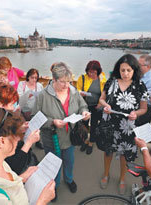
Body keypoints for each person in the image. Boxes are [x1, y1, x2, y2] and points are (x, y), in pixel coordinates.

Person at [33, 62, 91, 198]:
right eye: (63, 82)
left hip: (70, 136)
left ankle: (69, 180)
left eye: (69, 81)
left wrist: (84, 112)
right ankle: (54, 185)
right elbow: (35, 117)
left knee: (69, 161)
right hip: (51, 138)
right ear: (53, 79)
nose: (67, 85)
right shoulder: (42, 95)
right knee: (53, 164)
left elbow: (83, 105)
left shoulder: (73, 91)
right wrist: (52, 122)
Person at [97, 54, 148, 194]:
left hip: (128, 127)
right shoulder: (111, 82)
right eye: (122, 70)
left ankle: (122, 178)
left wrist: (136, 113)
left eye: (128, 70)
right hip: (110, 124)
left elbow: (144, 108)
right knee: (108, 151)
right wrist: (106, 105)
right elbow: (101, 99)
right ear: (118, 70)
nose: (125, 73)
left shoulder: (140, 86)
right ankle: (106, 174)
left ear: (134, 70)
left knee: (124, 153)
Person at [0, 82, 41, 175]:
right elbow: (13, 166)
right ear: (0, 105)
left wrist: (19, 129)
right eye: (11, 104)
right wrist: (29, 142)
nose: (13, 108)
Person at [75, 60, 107, 155]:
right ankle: (85, 141)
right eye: (89, 71)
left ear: (98, 71)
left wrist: (101, 104)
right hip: (85, 105)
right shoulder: (83, 78)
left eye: (93, 72)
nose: (91, 74)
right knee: (84, 124)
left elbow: (105, 92)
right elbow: (77, 89)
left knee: (94, 125)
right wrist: (80, 92)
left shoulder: (102, 79)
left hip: (97, 106)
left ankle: (91, 142)